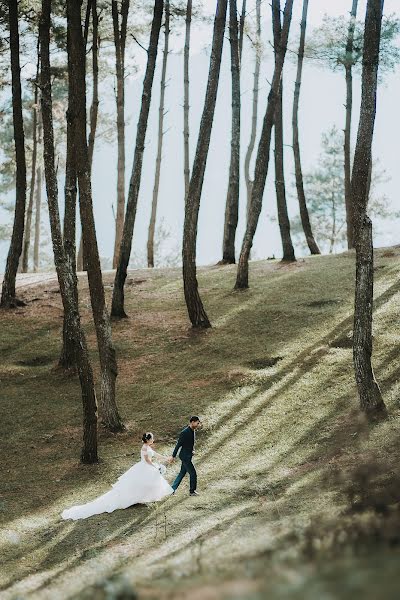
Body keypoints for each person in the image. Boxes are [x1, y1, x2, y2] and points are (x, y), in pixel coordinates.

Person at [61, 433, 173, 520]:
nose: (153, 440)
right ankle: (136, 498)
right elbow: (148, 460)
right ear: (148, 440)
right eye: (152, 438)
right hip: (145, 467)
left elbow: (155, 454)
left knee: (147, 483)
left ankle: (144, 497)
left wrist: (165, 458)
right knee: (142, 483)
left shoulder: (147, 447)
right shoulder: (144, 449)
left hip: (146, 467)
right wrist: (155, 466)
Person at [169, 416, 201, 496]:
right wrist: (173, 456)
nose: (198, 424)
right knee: (193, 473)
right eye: (197, 423)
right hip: (185, 457)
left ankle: (172, 490)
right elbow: (178, 445)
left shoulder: (193, 431)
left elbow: (190, 443)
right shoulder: (184, 432)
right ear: (192, 422)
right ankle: (192, 491)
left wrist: (192, 450)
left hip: (188, 455)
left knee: (182, 473)